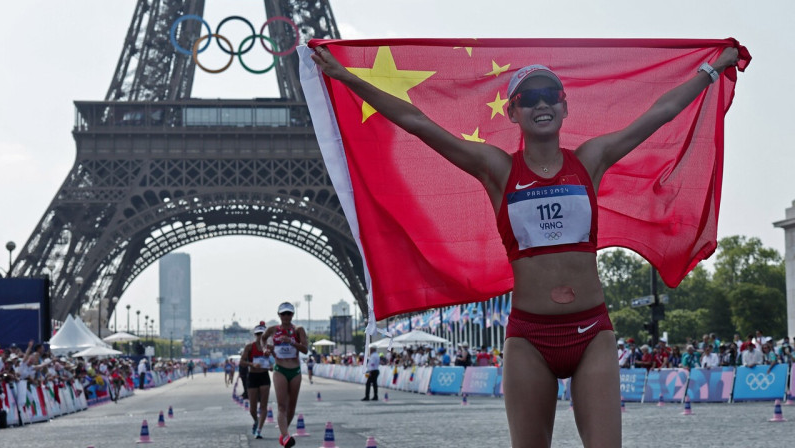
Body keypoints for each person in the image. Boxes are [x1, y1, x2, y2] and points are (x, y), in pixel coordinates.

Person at [311, 44, 739, 447]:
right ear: (513, 111)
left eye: (550, 95)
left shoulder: (590, 160)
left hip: (593, 333)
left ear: (564, 106)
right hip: (530, 338)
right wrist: (345, 76)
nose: (541, 104)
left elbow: (661, 112)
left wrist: (711, 68)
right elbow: (417, 122)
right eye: (529, 98)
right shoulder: (497, 169)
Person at [263, 302, 308, 448]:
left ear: (292, 315)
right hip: (280, 369)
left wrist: (292, 341)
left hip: (295, 370)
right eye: (283, 314)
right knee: (282, 405)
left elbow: (305, 349)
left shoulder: (298, 330)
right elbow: (263, 339)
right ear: (279, 315)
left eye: (289, 313)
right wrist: (265, 350)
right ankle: (287, 436)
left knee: (291, 406)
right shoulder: (272, 330)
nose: (286, 317)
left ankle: (283, 434)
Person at [240, 322, 272, 439]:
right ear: (255, 335)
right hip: (253, 377)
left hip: (264, 376)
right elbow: (242, 362)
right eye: (258, 334)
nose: (260, 336)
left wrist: (273, 366)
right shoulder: (249, 347)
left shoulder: (269, 348)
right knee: (252, 409)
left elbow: (276, 360)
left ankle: (259, 430)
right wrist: (251, 364)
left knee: (263, 406)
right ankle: (256, 420)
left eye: (262, 334)